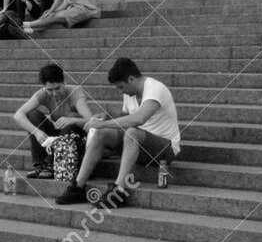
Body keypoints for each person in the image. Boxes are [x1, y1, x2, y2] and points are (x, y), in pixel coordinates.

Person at [56, 58, 181, 208]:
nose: (120, 91)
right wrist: (106, 117)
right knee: (103, 133)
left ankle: (119, 192)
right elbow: (124, 117)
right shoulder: (130, 93)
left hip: (164, 150)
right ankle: (77, 187)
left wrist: (103, 123)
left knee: (132, 133)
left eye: (121, 87)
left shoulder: (155, 89)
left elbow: (139, 119)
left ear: (131, 79)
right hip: (139, 146)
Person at [14, 64, 95, 179]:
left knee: (71, 118)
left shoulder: (75, 92)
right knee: (33, 115)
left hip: (76, 138)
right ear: (44, 87)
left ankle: (51, 165)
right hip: (59, 136)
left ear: (64, 82)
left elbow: (91, 121)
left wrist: (72, 120)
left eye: (57, 88)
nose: (54, 93)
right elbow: (18, 115)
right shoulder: (42, 94)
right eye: (50, 90)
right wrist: (37, 132)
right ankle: (40, 165)